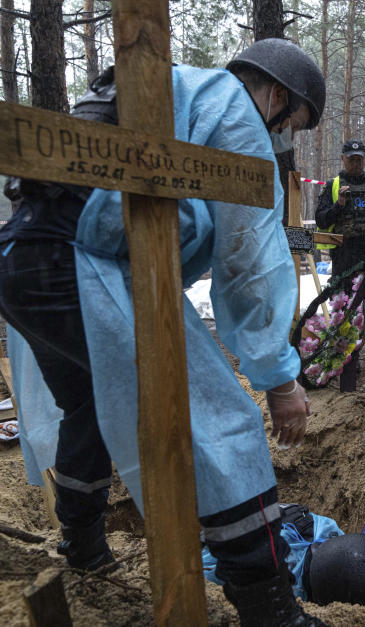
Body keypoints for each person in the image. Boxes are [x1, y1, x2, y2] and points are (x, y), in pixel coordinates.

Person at [0, 39, 329, 625]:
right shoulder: (235, 110)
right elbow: (248, 260)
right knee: (219, 420)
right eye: (293, 126)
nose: (285, 137)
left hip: (22, 260)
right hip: (80, 263)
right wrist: (279, 380)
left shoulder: (182, 91)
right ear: (277, 95)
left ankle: (82, 542)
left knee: (89, 405)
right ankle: (270, 607)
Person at [314, 140, 365, 369]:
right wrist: (339, 204)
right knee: (347, 306)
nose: (356, 161)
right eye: (351, 158)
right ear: (343, 159)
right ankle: (350, 357)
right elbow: (321, 219)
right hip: (346, 256)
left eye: (359, 157)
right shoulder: (333, 185)